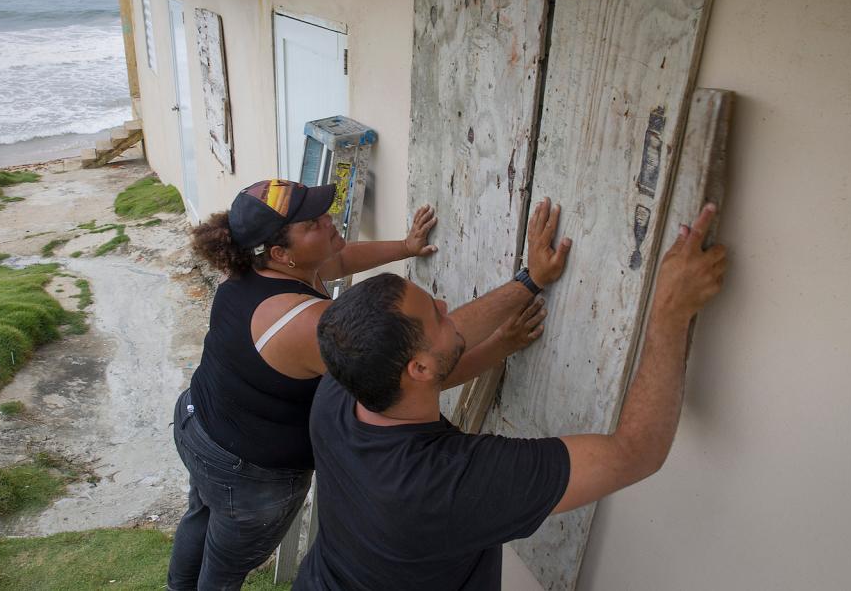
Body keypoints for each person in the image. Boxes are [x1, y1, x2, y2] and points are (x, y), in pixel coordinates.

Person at [294, 202, 728, 590]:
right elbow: (636, 452)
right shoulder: (443, 486)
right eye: (435, 314)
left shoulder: (345, 382)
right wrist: (670, 313)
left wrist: (530, 281)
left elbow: (435, 353)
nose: (447, 307)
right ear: (419, 368)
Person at [166, 178, 439, 590]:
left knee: (201, 516)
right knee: (225, 568)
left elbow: (342, 261)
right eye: (312, 223)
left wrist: (405, 246)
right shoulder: (307, 324)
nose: (329, 222)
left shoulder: (258, 268)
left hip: (197, 424)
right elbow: (403, 369)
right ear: (280, 253)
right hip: (248, 471)